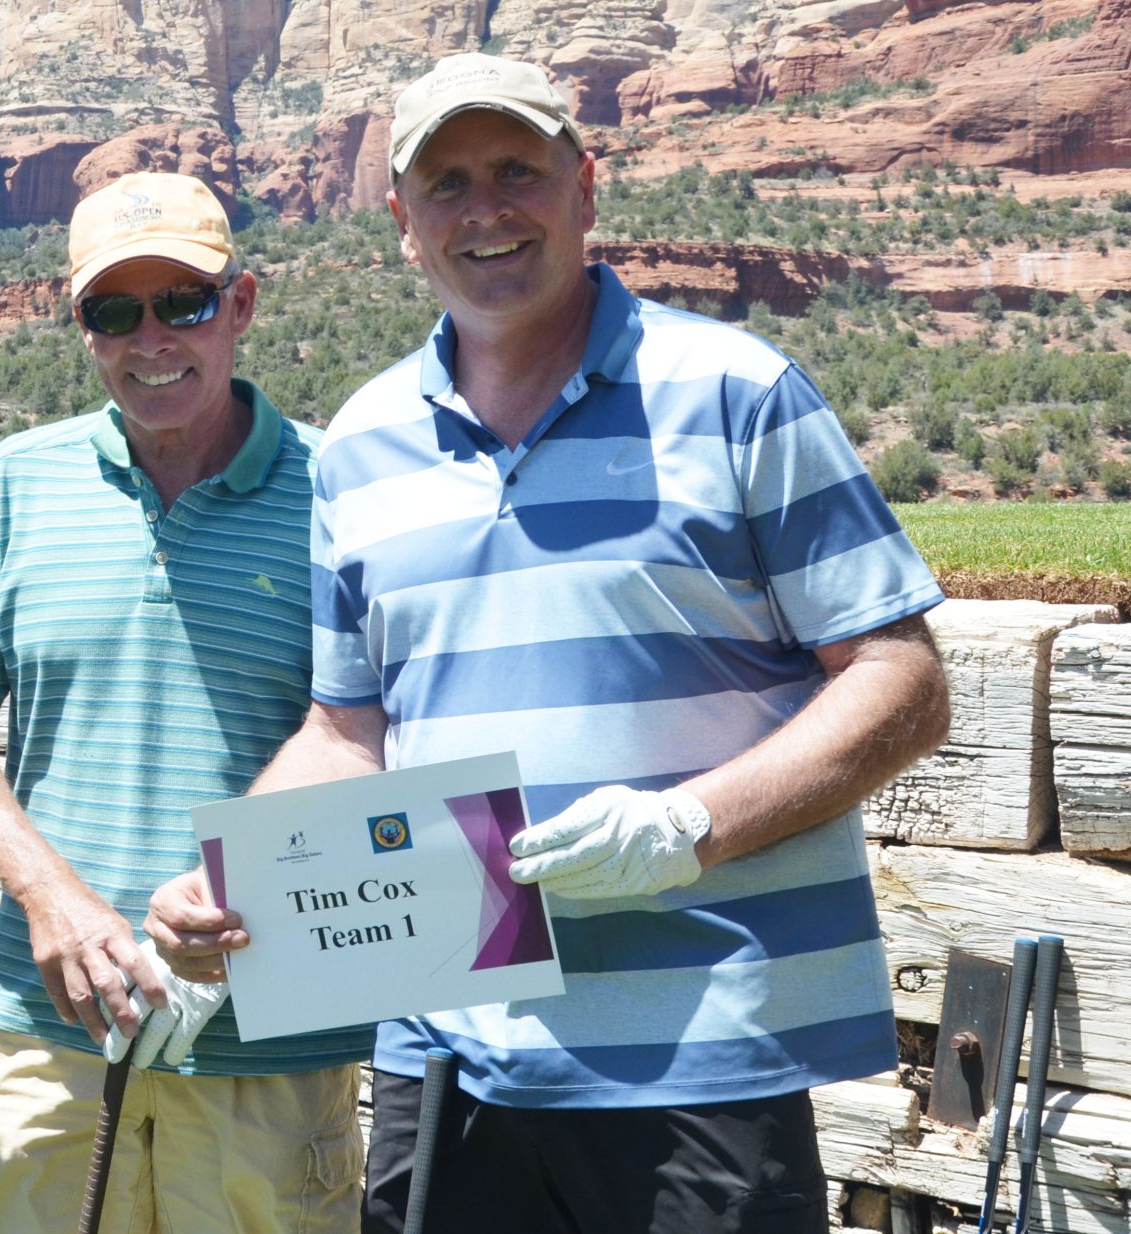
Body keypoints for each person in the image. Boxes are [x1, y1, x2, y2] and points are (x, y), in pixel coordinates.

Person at [146, 53, 953, 1234]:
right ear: (402, 222)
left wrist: (687, 827)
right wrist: (226, 890)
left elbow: (903, 679)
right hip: (446, 1051)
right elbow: (347, 729)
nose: (486, 210)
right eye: (447, 183)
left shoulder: (737, 391)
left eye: (517, 170)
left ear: (584, 186)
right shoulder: (362, 444)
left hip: (702, 1052)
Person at [0, 172, 371, 1234]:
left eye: (184, 303)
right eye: (114, 311)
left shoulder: (340, 490)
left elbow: (377, 731)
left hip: (272, 1051)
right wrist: (51, 897)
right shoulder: (18, 483)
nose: (150, 338)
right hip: (54, 1034)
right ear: (82, 326)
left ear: (240, 304)